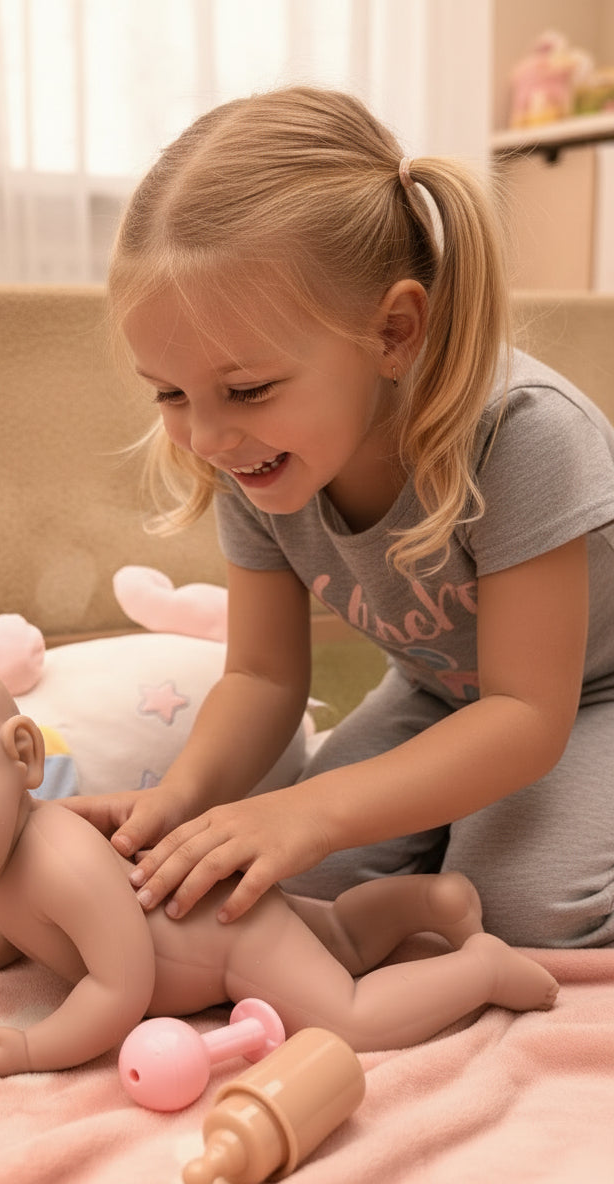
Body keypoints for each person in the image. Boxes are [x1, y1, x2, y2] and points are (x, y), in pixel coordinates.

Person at [64, 85, 614, 949]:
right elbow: (262, 678)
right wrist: (177, 803)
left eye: (246, 390)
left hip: (585, 696)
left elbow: (524, 714)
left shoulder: (525, 434)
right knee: (292, 882)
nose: (207, 436)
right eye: (170, 393)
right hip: (444, 693)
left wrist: (314, 808)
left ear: (394, 331)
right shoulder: (255, 457)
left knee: (531, 906)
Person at [0, 651, 556, 1078]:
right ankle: (429, 903)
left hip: (231, 939)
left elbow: (122, 985)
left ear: (21, 757)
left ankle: (480, 967)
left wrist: (32, 1046)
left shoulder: (58, 860)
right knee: (335, 937)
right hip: (222, 911)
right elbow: (20, 917)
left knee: (348, 1015)